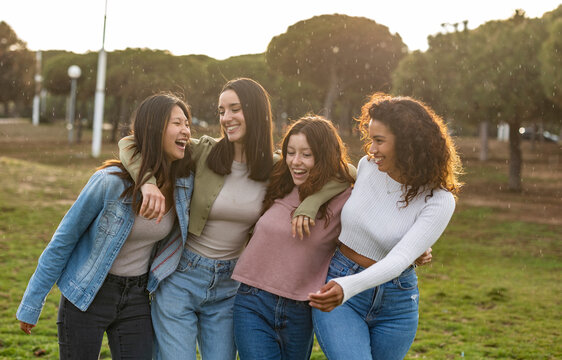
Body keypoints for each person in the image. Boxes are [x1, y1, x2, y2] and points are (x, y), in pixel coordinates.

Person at [118, 78, 349, 360]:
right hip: (182, 276)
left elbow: (345, 173)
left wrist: (312, 202)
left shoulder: (278, 167)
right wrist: (147, 183)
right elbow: (131, 143)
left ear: (255, 112)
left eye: (234, 109)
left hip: (230, 285)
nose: (226, 118)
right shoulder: (203, 150)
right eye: (221, 111)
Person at [16, 93, 195, 360]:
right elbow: (63, 241)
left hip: (137, 297)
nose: (186, 130)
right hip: (86, 294)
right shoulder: (109, 182)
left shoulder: (183, 185)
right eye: (177, 123)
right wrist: (31, 304)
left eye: (187, 123)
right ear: (155, 129)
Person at [308, 93, 463, 360]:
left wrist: (350, 285)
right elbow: (327, 179)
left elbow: (401, 258)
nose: (371, 149)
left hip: (397, 302)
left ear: (408, 144)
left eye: (379, 141)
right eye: (371, 139)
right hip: (341, 285)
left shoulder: (439, 200)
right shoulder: (367, 168)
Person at [231, 116, 354, 360]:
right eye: (290, 152)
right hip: (252, 301)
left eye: (306, 155)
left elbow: (354, 173)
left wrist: (314, 200)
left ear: (325, 156)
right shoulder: (278, 179)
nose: (295, 162)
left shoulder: (346, 198)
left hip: (301, 308)